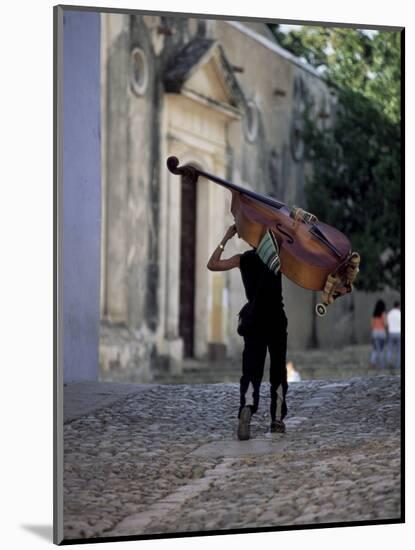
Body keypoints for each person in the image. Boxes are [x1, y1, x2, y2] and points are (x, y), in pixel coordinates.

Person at [207, 224, 288, 441]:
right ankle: (277, 419)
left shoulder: (243, 260)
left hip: (254, 321)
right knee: (278, 370)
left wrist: (226, 236)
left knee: (251, 371)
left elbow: (212, 264)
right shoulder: (278, 258)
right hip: (276, 319)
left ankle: (247, 409)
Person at [370, 299, 387, 369]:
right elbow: (385, 324)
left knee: (375, 349)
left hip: (375, 333)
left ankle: (372, 363)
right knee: (382, 350)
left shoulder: (374, 314)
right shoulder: (383, 314)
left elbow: (371, 325)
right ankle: (382, 365)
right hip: (382, 333)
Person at [387, 301, 401, 369]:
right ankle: (398, 365)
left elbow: (387, 323)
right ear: (398, 306)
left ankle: (389, 362)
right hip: (398, 333)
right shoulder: (399, 313)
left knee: (390, 349)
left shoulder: (389, 313)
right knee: (399, 350)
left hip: (391, 332)